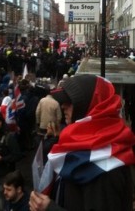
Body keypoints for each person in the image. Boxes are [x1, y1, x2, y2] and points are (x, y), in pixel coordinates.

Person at [30, 74, 135, 211]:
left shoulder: (106, 167)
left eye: (69, 102)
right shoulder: (81, 147)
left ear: (89, 107)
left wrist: (49, 208)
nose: (63, 106)